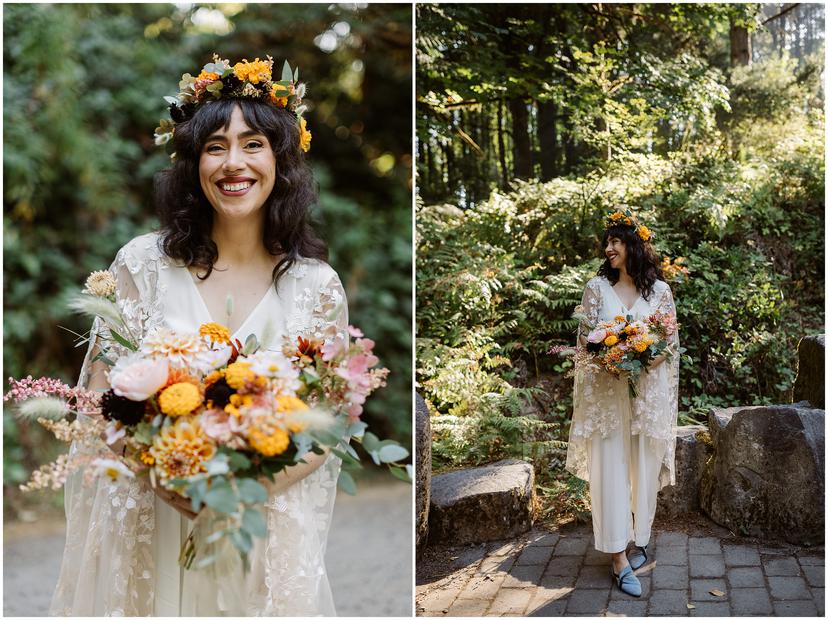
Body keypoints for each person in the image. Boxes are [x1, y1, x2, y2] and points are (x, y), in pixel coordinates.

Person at [50, 55, 347, 616]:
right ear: (194, 163)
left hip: (257, 527)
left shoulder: (316, 286)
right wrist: (166, 477)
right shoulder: (141, 265)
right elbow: (98, 398)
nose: (234, 163)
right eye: (215, 146)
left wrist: (245, 492)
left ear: (282, 160)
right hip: (154, 516)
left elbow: (332, 422)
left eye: (253, 143)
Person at [565, 209, 679, 598]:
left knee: (643, 469)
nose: (608, 248)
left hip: (647, 396)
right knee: (611, 470)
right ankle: (617, 556)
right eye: (607, 242)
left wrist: (648, 358)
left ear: (634, 245)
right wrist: (610, 361)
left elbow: (669, 342)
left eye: (615, 241)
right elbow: (585, 342)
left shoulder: (660, 293)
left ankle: (638, 536)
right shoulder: (596, 288)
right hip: (607, 396)